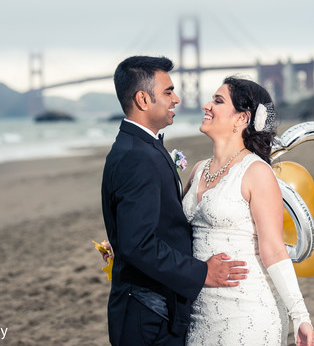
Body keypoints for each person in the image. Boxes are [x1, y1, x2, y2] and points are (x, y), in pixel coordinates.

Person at [100, 56, 249, 346]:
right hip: (148, 312)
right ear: (143, 99)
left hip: (150, 306)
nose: (177, 99)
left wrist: (119, 240)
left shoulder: (140, 146)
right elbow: (138, 244)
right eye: (168, 92)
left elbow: (144, 229)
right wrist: (202, 273)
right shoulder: (137, 156)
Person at [182, 76, 314, 346]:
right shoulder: (198, 170)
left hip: (248, 311)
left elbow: (274, 249)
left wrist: (300, 315)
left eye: (218, 101)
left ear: (242, 118)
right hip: (200, 313)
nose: (206, 106)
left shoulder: (256, 172)